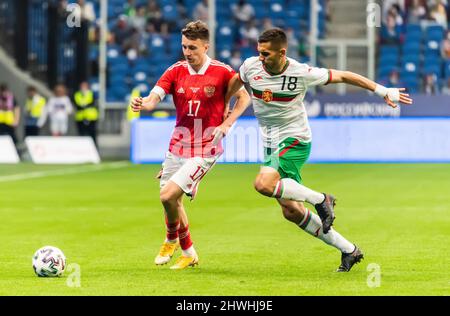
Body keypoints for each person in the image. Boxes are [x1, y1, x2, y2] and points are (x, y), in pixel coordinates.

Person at [217, 28, 413, 272]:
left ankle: (322, 199)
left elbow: (343, 75)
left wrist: (382, 90)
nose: (261, 58)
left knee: (263, 184)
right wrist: (225, 103)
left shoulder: (300, 72)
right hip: (270, 142)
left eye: (266, 54)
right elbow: (237, 80)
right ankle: (350, 250)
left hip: (294, 139)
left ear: (282, 52)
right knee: (290, 210)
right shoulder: (251, 66)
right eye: (259, 52)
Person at [130, 21, 250, 270]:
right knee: (170, 202)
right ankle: (189, 253)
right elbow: (155, 97)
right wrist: (144, 103)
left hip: (206, 146)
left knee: (168, 195)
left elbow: (244, 97)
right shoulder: (175, 71)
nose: (187, 52)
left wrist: (227, 124)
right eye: (184, 46)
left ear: (206, 46)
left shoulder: (222, 71)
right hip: (178, 144)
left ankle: (171, 238)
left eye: (193, 47)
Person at [74, 81, 98, 146]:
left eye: (84, 86)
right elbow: (77, 104)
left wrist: (85, 105)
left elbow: (93, 103)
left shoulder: (92, 94)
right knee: (82, 134)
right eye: (82, 86)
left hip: (91, 117)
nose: (83, 88)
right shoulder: (77, 94)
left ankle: (94, 147)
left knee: (92, 134)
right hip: (80, 117)